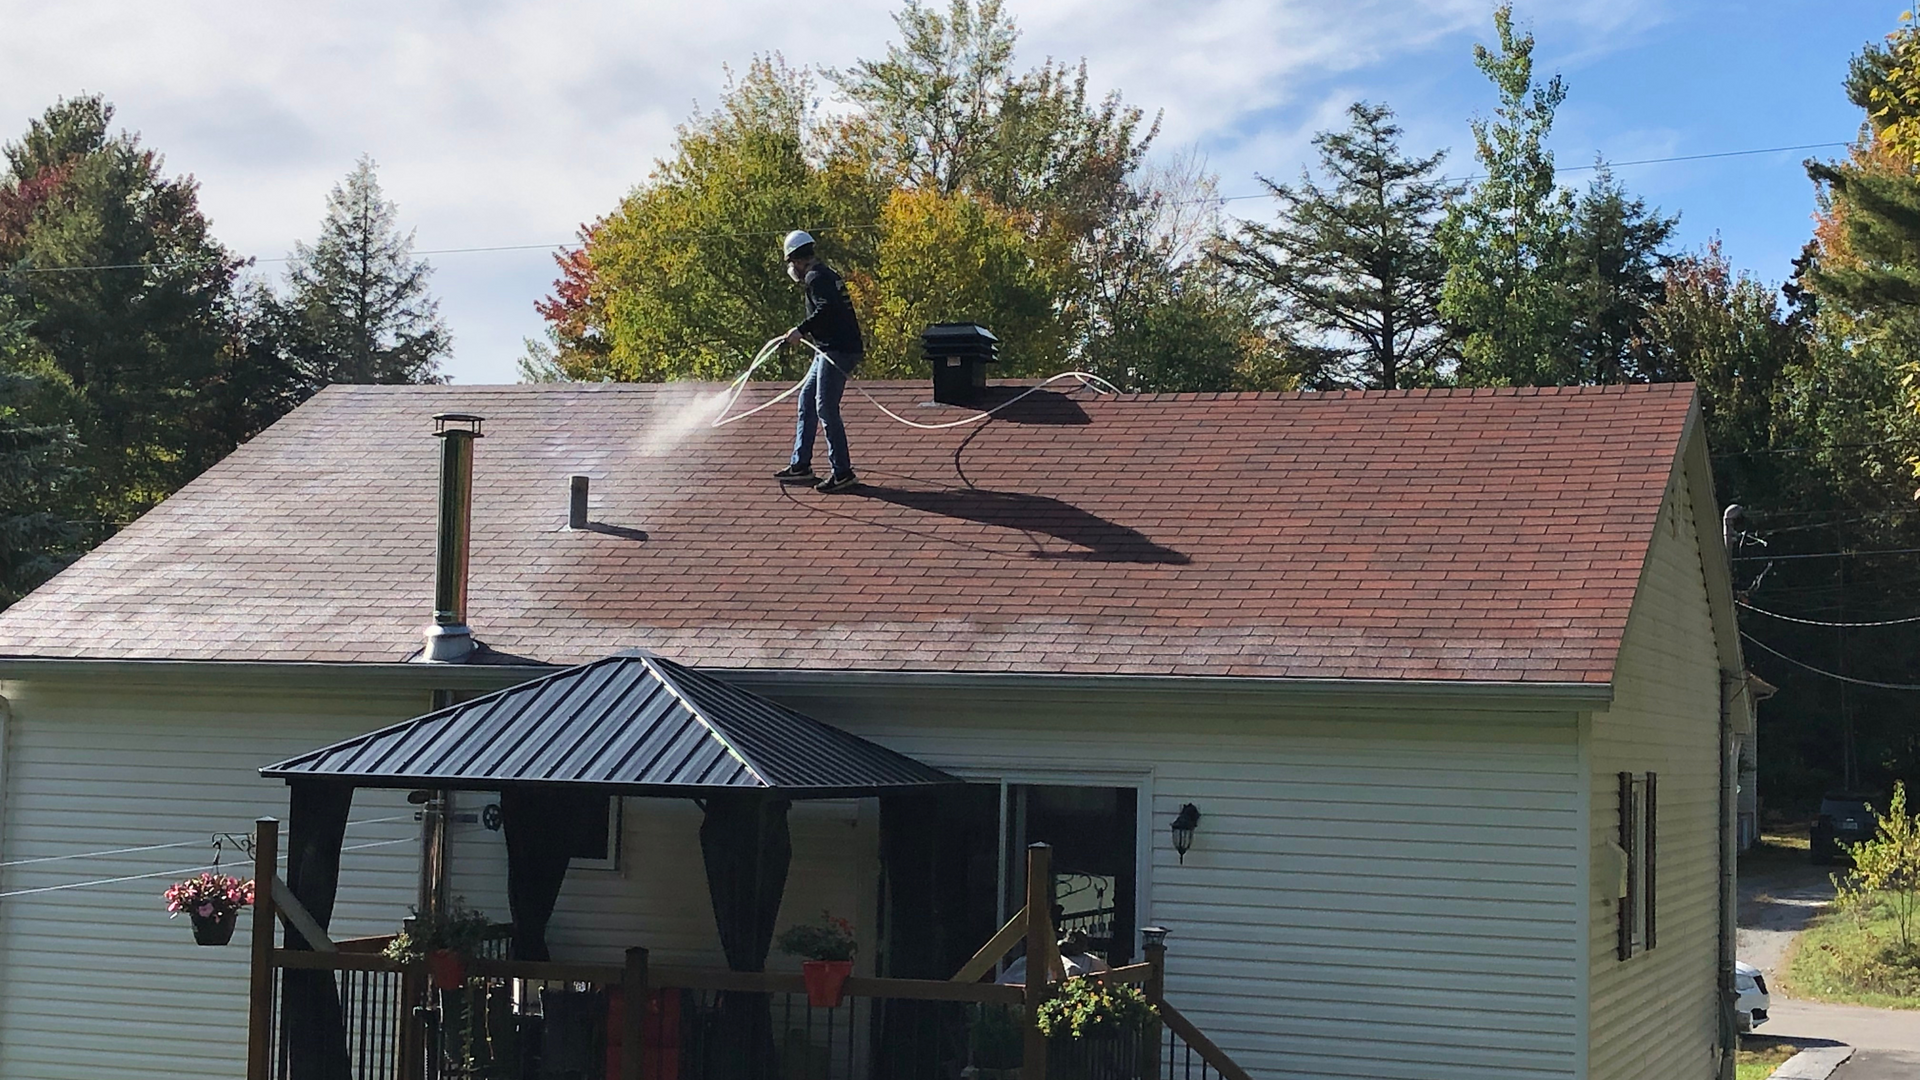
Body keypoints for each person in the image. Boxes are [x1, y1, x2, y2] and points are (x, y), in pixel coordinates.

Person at [771, 230, 865, 493]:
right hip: (827, 349)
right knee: (807, 401)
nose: (792, 268)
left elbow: (825, 308)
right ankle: (800, 465)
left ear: (796, 260)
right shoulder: (825, 274)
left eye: (791, 262)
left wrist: (800, 330)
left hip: (837, 350)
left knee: (825, 408)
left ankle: (842, 472)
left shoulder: (815, 278)